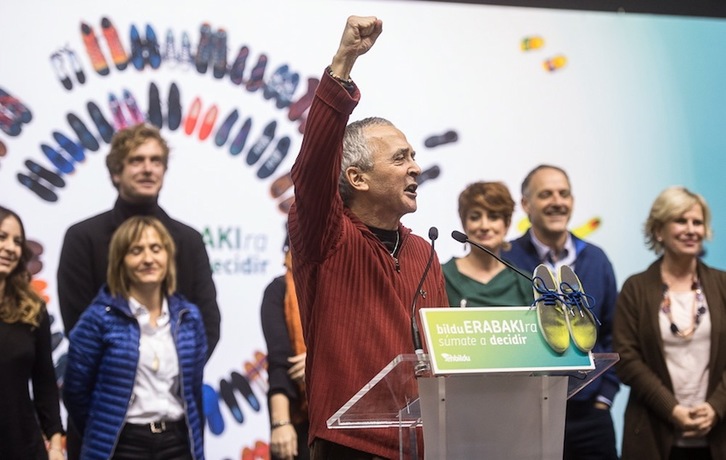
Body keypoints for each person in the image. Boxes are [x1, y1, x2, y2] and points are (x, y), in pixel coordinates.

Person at [287, 16, 448, 460]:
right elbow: (312, 169)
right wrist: (343, 64)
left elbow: (447, 355)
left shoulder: (424, 251)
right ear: (356, 177)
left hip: (425, 443)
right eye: (401, 158)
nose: (416, 168)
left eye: (414, 157)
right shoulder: (326, 234)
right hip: (349, 444)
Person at [57, 123, 220, 459]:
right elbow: (80, 332)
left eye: (156, 160)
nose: (148, 167)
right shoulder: (82, 238)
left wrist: (167, 372)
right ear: (116, 172)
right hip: (111, 431)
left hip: (176, 428)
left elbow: (208, 324)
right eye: (137, 160)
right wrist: (117, 396)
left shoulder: (187, 240)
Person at [64, 216, 207, 460]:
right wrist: (103, 426)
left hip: (178, 443)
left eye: (156, 249)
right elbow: (75, 391)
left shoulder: (188, 317)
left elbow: (192, 390)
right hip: (121, 446)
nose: (148, 259)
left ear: (167, 257)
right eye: (136, 251)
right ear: (121, 261)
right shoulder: (98, 318)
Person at [502, 164, 619, 460]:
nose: (557, 201)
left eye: (564, 194)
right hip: (526, 414)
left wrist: (605, 396)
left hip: (590, 415)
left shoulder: (596, 258)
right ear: (526, 205)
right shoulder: (505, 258)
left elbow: (613, 333)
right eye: (545, 194)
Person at [613, 186, 726, 460]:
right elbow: (627, 360)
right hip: (652, 435)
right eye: (680, 221)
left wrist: (716, 406)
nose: (691, 229)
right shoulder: (635, 288)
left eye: (697, 222)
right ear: (659, 231)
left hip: (718, 433)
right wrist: (672, 409)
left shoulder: (722, 285)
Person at [0, 206, 64, 460]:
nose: (10, 248)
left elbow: (45, 382)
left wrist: (57, 446)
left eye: (17, 241)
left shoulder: (32, 309)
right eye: (1, 237)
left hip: (22, 447)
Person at [444, 181, 532, 307]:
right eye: (475, 217)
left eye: (493, 217)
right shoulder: (441, 277)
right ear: (464, 224)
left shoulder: (525, 282)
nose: (484, 226)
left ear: (507, 224)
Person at [260, 234, 309, 460]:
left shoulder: (347, 285)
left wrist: (318, 361)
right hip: (300, 416)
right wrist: (280, 423)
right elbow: (281, 362)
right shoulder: (278, 290)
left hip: (347, 418)